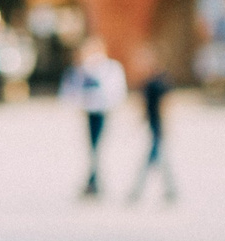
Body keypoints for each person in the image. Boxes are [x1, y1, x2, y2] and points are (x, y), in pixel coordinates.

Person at [57, 37, 126, 198]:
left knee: (97, 147)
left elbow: (115, 91)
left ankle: (94, 181)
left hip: (102, 111)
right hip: (89, 112)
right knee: (93, 147)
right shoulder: (81, 70)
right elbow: (70, 91)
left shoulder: (109, 68)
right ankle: (93, 180)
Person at [126, 46, 178, 205]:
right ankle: (169, 190)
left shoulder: (160, 81)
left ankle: (138, 190)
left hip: (158, 125)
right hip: (153, 125)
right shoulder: (147, 82)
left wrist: (166, 125)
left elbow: (165, 104)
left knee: (153, 159)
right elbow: (143, 104)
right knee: (158, 159)